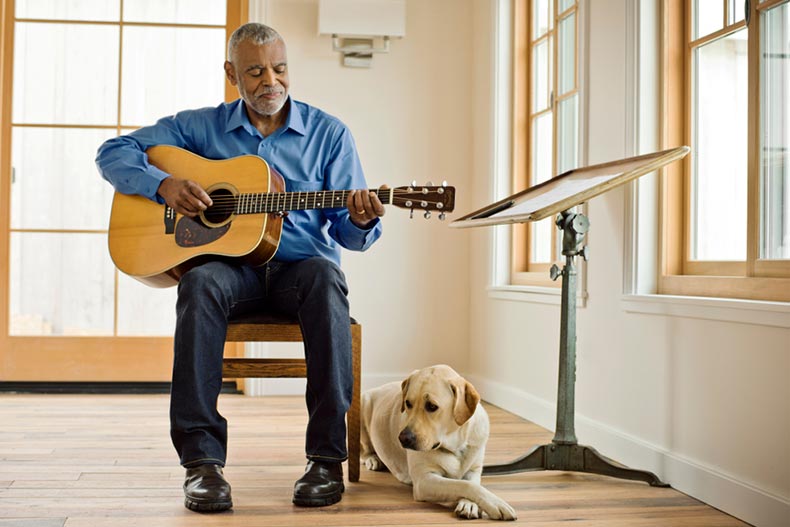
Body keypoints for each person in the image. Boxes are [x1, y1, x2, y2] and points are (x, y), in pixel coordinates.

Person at [96, 22, 384, 512]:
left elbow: (349, 236)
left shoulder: (329, 134)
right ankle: (202, 465)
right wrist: (162, 185)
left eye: (280, 68)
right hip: (235, 274)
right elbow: (112, 151)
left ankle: (325, 459)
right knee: (201, 281)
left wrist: (360, 219)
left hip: (299, 273)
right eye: (255, 71)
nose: (271, 80)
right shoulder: (198, 127)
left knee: (326, 276)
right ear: (232, 74)